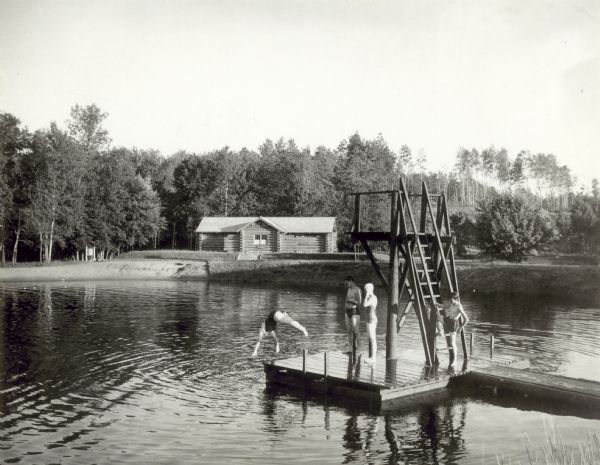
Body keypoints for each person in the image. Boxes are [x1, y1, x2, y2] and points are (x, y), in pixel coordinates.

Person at [440, 292, 469, 367]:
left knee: (452, 343)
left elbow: (466, 319)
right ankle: (439, 330)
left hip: (454, 323)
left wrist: (460, 327)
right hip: (449, 320)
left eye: (451, 299)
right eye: (449, 299)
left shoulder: (459, 306)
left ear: (456, 299)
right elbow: (444, 306)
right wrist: (436, 304)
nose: (450, 300)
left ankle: (455, 361)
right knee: (437, 317)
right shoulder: (452, 304)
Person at [343, 276, 362, 355]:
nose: (346, 284)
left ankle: (359, 350)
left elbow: (359, 302)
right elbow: (346, 300)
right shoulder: (349, 289)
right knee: (348, 330)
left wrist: (350, 301)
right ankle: (350, 348)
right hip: (347, 311)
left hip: (354, 311)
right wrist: (345, 306)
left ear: (350, 281)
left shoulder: (357, 289)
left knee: (356, 330)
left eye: (346, 283)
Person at [362, 283, 378, 364]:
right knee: (371, 338)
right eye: (365, 290)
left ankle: (374, 358)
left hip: (372, 319)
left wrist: (367, 294)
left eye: (366, 289)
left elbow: (364, 304)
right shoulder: (369, 297)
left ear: (370, 289)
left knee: (372, 338)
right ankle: (372, 356)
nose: (365, 291)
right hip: (368, 319)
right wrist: (367, 295)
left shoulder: (373, 297)